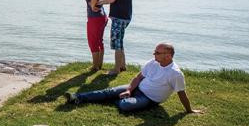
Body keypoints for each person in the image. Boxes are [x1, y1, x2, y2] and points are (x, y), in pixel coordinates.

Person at [64, 43, 202, 114]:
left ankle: (115, 98)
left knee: (125, 105)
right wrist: (130, 90)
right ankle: (77, 97)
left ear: (168, 55)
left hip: (149, 99)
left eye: (157, 52)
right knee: (108, 91)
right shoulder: (153, 62)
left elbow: (181, 93)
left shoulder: (175, 73)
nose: (154, 54)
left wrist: (189, 110)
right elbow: (138, 77)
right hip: (137, 89)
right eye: (155, 51)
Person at [98, 0, 134, 76]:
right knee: (120, 41)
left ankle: (116, 69)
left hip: (120, 17)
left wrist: (98, 3)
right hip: (125, 16)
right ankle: (123, 66)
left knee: (117, 42)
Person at [84, 0, 109, 72]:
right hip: (102, 16)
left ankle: (95, 66)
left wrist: (93, 5)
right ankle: (99, 65)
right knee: (99, 41)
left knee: (93, 41)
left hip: (94, 18)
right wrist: (99, 4)